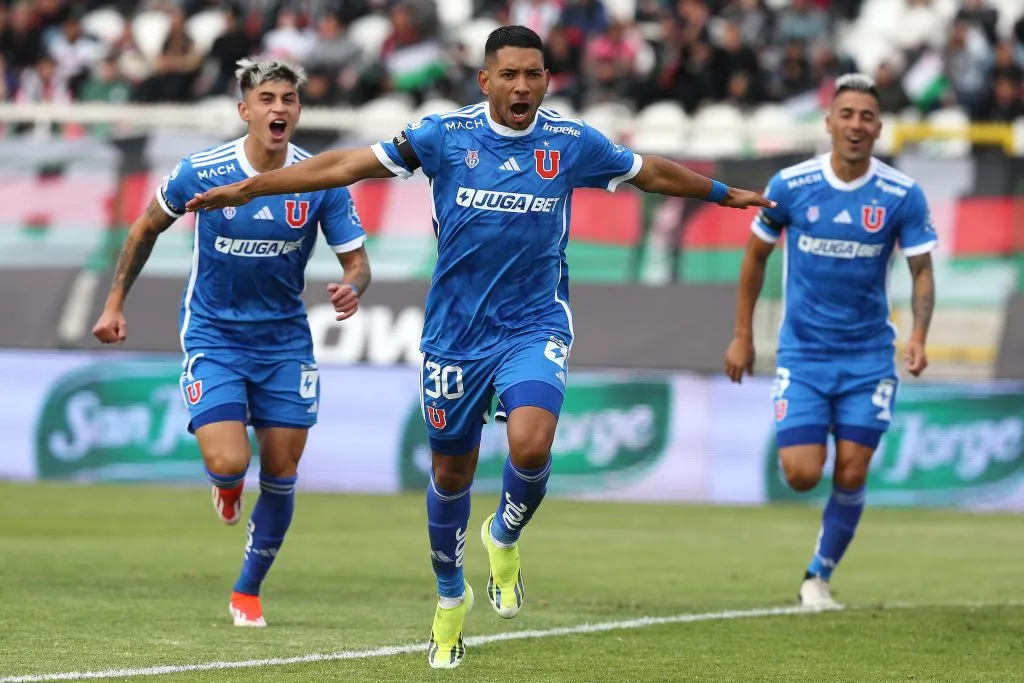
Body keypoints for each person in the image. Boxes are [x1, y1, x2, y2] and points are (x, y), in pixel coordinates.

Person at [185, 25, 772, 669]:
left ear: (548, 80)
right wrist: (253, 186)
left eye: (535, 74)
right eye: (510, 74)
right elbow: (345, 164)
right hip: (454, 337)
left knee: (531, 441)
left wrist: (722, 193)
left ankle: (505, 533)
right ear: (486, 80)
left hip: (534, 323)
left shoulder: (571, 142)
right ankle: (448, 597)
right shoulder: (444, 136)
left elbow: (648, 172)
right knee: (450, 475)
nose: (523, 86)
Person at [92, 58, 371, 628]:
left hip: (284, 341)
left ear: (298, 110)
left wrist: (352, 288)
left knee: (282, 468)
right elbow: (144, 227)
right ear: (245, 111)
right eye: (267, 99)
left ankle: (248, 589)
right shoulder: (201, 170)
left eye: (288, 99)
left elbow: (358, 263)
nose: (279, 109)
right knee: (229, 461)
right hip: (214, 333)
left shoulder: (319, 179)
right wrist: (114, 302)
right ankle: (225, 489)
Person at [724, 73, 937, 610]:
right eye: (847, 114)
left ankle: (817, 574)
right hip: (804, 353)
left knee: (852, 468)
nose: (856, 125)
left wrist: (918, 336)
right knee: (799, 473)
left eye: (867, 116)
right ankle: (815, 559)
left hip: (868, 357)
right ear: (829, 122)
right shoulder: (791, 185)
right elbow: (754, 257)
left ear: (880, 126)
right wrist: (742, 336)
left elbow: (922, 272)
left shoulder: (900, 195)